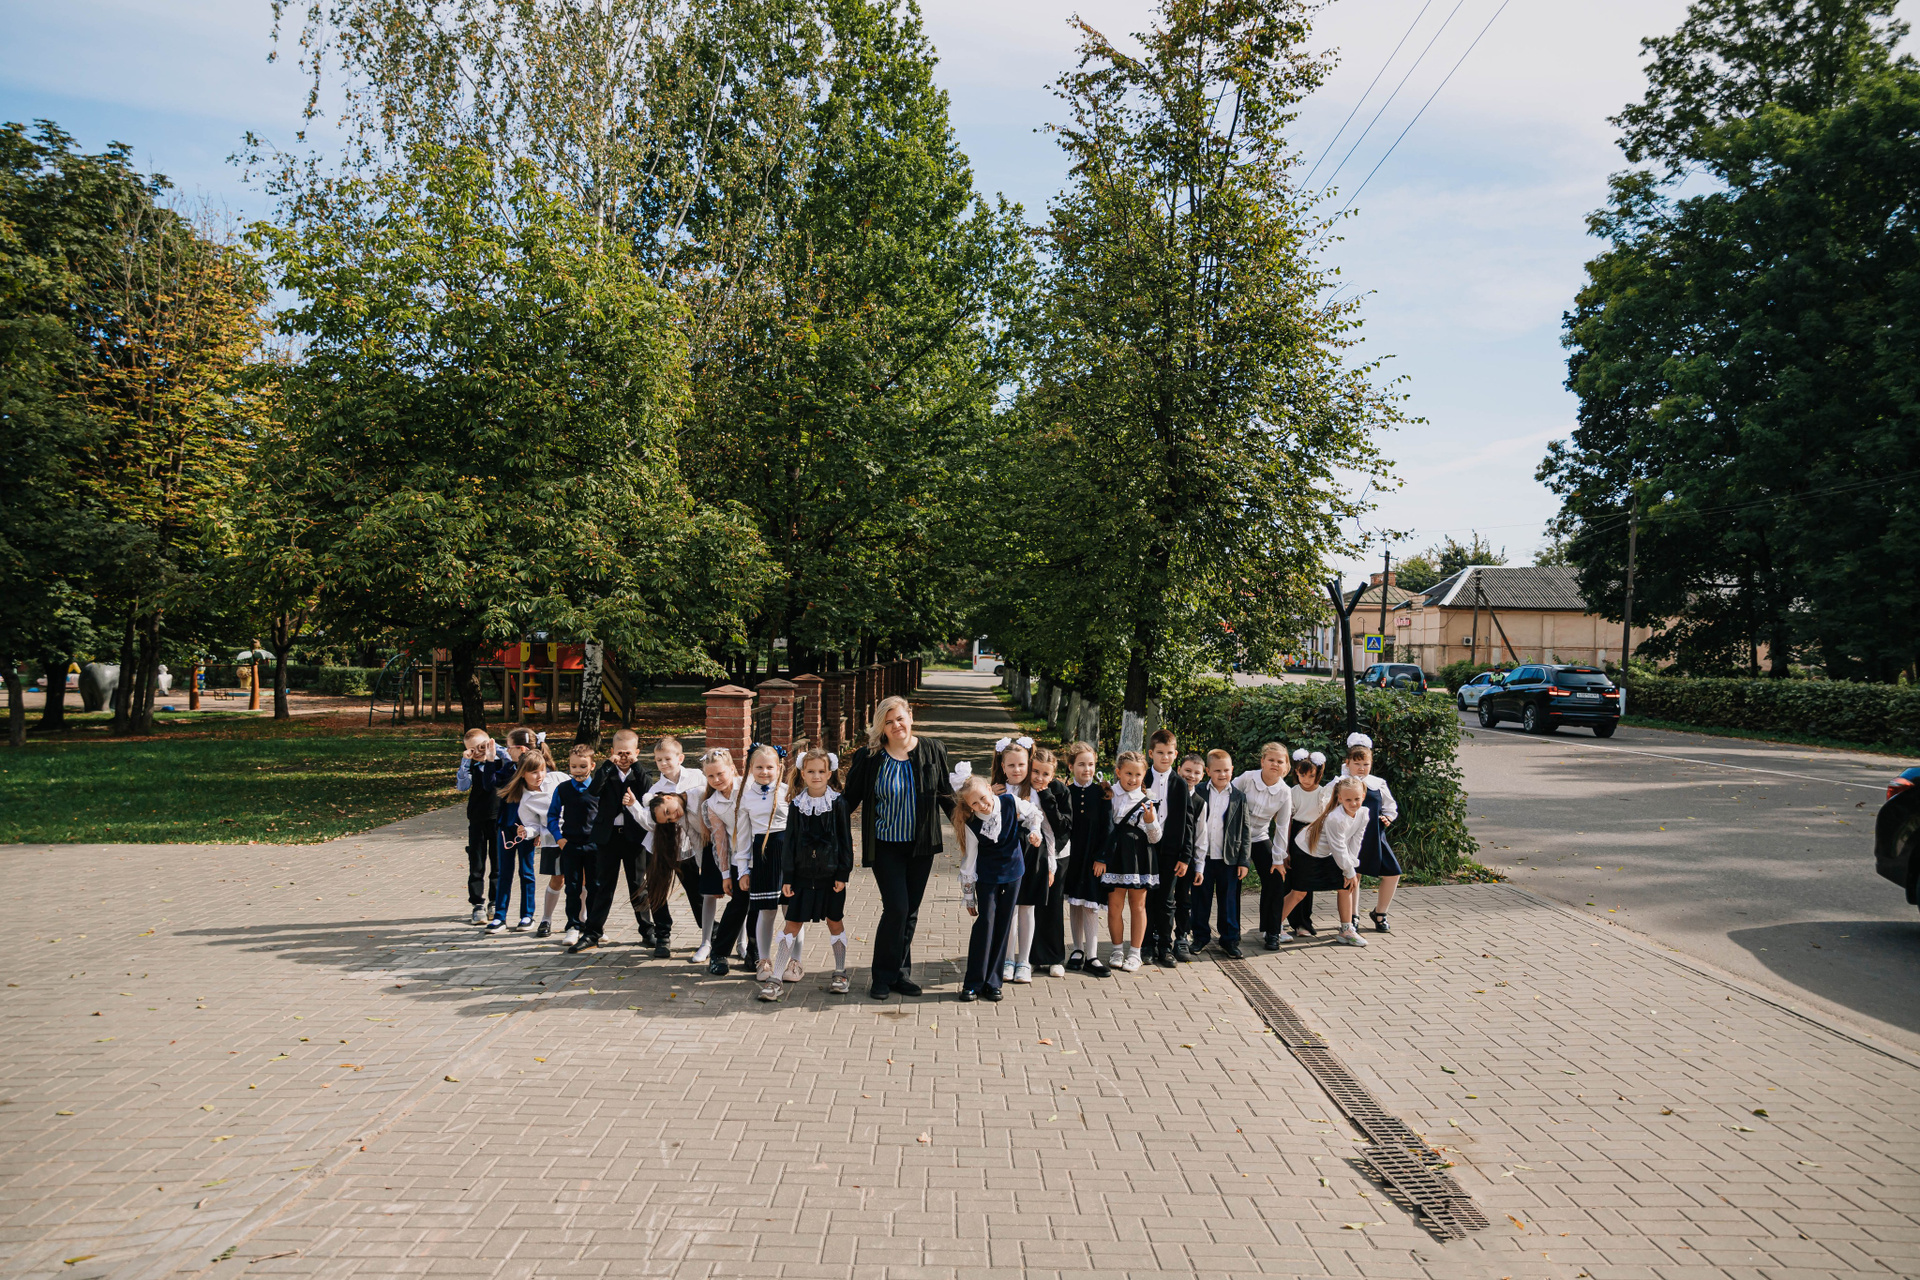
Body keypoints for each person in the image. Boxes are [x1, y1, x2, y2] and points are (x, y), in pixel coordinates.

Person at [842, 695, 956, 1001]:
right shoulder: (870, 757)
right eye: (888, 722)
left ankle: (899, 974)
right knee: (897, 908)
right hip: (885, 846)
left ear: (911, 717)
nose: (896, 726)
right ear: (881, 726)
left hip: (921, 846)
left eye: (900, 719)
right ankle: (881, 976)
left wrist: (974, 826)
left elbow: (946, 795)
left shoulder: (932, 749)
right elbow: (849, 799)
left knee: (910, 912)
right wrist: (816, 813)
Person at [768, 747, 855, 999]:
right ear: (803, 774)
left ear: (829, 773)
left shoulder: (839, 803)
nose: (816, 776)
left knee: (834, 921)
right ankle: (776, 977)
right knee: (792, 924)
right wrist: (788, 876)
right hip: (801, 877)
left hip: (831, 877)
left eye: (821, 771)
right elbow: (790, 843)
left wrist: (843, 874)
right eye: (811, 771)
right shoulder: (796, 804)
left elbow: (846, 841)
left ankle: (840, 972)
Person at [955, 769, 1045, 1003]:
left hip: (1013, 872)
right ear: (969, 806)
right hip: (987, 878)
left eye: (983, 798)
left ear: (989, 789)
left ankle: (993, 982)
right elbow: (969, 861)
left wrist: (1035, 832)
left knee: (1004, 924)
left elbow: (1034, 814)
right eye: (974, 804)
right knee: (985, 924)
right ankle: (973, 982)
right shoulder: (973, 824)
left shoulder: (1009, 801)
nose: (982, 805)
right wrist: (969, 896)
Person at [572, 729, 652, 954]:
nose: (624, 757)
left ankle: (647, 930)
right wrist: (608, 764)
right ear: (612, 752)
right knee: (602, 886)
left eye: (628, 753)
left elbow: (648, 790)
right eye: (619, 753)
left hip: (633, 837)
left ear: (636, 752)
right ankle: (592, 932)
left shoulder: (640, 772)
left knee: (638, 885)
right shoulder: (606, 771)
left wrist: (636, 765)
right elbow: (593, 790)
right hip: (607, 837)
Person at [990, 736, 1056, 985]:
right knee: (1009, 908)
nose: (1017, 770)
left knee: (1027, 908)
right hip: (1005, 854)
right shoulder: (996, 791)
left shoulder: (1036, 793)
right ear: (1002, 766)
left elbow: (1048, 831)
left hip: (1032, 853)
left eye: (1021, 765)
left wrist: (1051, 864)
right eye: (1011, 765)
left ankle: (1024, 961)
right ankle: (1007, 960)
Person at [637, 735, 706, 958]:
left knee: (695, 889)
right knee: (657, 890)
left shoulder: (696, 777)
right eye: (658, 760)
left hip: (687, 846)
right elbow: (651, 822)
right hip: (659, 848)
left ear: (680, 758)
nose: (663, 763)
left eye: (667, 758)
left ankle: (708, 929)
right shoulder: (656, 788)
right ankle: (663, 934)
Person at [1281, 775, 1368, 947]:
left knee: (1346, 886)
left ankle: (1346, 930)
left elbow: (1355, 841)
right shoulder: (1336, 818)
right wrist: (1349, 871)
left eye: (1357, 799)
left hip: (1329, 853)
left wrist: (1351, 868)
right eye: (1348, 799)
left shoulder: (1364, 814)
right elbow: (1339, 847)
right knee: (1299, 892)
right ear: (1340, 798)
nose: (1353, 803)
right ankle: (1273, 927)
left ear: (1363, 796)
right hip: (1306, 851)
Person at [1095, 750, 1162, 973]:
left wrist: (1151, 821)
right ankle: (1116, 950)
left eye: (1138, 775)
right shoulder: (1108, 794)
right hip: (1114, 856)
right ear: (1118, 772)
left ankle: (1135, 953)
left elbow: (1155, 838)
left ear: (1144, 776)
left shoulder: (1147, 800)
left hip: (1139, 858)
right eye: (1128, 773)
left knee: (1138, 905)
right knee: (1115, 905)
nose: (1133, 779)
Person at [735, 743, 792, 985]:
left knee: (791, 912)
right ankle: (764, 960)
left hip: (787, 857)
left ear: (779, 768)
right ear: (750, 768)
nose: (764, 772)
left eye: (770, 767)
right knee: (766, 911)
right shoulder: (746, 798)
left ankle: (794, 961)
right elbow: (743, 838)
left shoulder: (789, 793)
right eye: (759, 767)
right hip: (763, 857)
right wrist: (743, 870)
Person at [1187, 749, 1252, 957]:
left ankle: (1230, 940)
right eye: (1217, 771)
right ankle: (1200, 937)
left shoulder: (1239, 797)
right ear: (1208, 771)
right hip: (1203, 858)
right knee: (1200, 899)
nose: (1222, 774)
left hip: (1229, 858)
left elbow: (1245, 830)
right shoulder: (1198, 791)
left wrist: (1244, 861)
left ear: (1232, 770)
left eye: (1226, 770)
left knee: (1229, 901)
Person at [1061, 741, 1113, 978]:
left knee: (1091, 905)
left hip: (1094, 859)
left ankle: (1092, 955)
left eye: (1091, 764)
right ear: (1071, 766)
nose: (1087, 769)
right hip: (1072, 857)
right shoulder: (1065, 792)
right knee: (1075, 903)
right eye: (1081, 764)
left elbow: (1108, 829)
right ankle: (1077, 950)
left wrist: (1102, 857)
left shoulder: (1102, 793)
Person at [1234, 743, 1294, 950]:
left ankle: (1272, 931)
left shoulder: (1285, 792)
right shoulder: (1247, 778)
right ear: (1262, 761)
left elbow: (1282, 826)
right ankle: (1231, 932)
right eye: (1271, 760)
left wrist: (1278, 859)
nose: (1275, 764)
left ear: (1286, 766)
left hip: (1259, 836)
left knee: (1275, 878)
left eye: (1280, 761)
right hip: (1236, 838)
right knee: (1233, 881)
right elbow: (1226, 797)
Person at [1142, 730, 1194, 967]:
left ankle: (1165, 946)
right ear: (1151, 753)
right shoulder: (1142, 779)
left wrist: (1185, 856)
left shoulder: (1180, 784)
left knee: (1167, 900)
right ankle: (1146, 944)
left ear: (1176, 754)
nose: (1165, 757)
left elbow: (1188, 823)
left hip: (1171, 850)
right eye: (1160, 753)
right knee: (1146, 898)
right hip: (1145, 848)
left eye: (1169, 753)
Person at [454, 729, 515, 925]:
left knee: (498, 862)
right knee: (477, 863)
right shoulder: (471, 765)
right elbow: (462, 786)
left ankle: (494, 902)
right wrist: (466, 761)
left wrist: (493, 749)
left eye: (481, 747)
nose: (478, 752)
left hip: (498, 818)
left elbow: (510, 761)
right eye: (472, 750)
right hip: (477, 819)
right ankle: (477, 904)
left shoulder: (501, 762)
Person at [1342, 734, 1402, 932]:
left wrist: (1388, 818)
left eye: (1366, 764)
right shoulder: (1341, 782)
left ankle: (1380, 913)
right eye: (1357, 763)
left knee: (1393, 872)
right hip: (1350, 836)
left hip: (1375, 835)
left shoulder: (1378, 783)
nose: (1361, 768)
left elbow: (1390, 807)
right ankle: (1353, 915)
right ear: (1348, 763)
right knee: (1354, 875)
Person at [545, 744, 602, 945]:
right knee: (572, 888)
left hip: (594, 846)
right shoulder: (563, 789)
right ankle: (573, 926)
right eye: (573, 766)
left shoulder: (599, 789)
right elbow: (552, 815)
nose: (577, 770)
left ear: (592, 766)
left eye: (582, 766)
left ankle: (594, 927)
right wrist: (558, 838)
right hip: (570, 846)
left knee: (595, 887)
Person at [490, 749, 551, 933]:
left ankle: (527, 915)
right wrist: (490, 760)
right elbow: (489, 782)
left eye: (541, 771)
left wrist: (538, 832)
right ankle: (499, 916)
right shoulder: (510, 780)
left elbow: (545, 813)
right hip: (506, 830)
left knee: (526, 872)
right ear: (522, 772)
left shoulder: (543, 787)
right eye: (533, 772)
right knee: (504, 873)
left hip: (527, 832)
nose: (539, 776)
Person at [1026, 747, 1072, 977]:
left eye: (1045, 774)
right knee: (1032, 905)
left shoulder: (1060, 790)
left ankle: (1055, 957)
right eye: (1036, 772)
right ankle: (1032, 957)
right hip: (1032, 852)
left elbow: (1063, 826)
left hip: (1058, 853)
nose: (1039, 778)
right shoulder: (1023, 788)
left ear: (1053, 775)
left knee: (1053, 905)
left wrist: (1047, 798)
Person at [697, 748, 743, 969]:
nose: (716, 779)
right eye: (710, 776)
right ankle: (717, 950)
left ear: (732, 769)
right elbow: (720, 841)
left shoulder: (748, 790)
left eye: (720, 774)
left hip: (759, 853)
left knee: (756, 906)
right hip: (736, 857)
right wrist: (725, 873)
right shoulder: (711, 804)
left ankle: (749, 948)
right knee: (738, 903)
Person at [1285, 750, 1328, 936]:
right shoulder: (1293, 792)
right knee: (1293, 878)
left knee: (1307, 879)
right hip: (1296, 832)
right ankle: (1292, 920)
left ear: (1318, 773)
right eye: (1302, 775)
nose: (1306, 780)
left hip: (1315, 833)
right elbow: (1287, 820)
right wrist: (1286, 848)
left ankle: (1304, 921)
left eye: (1311, 775)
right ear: (1296, 772)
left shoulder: (1323, 792)